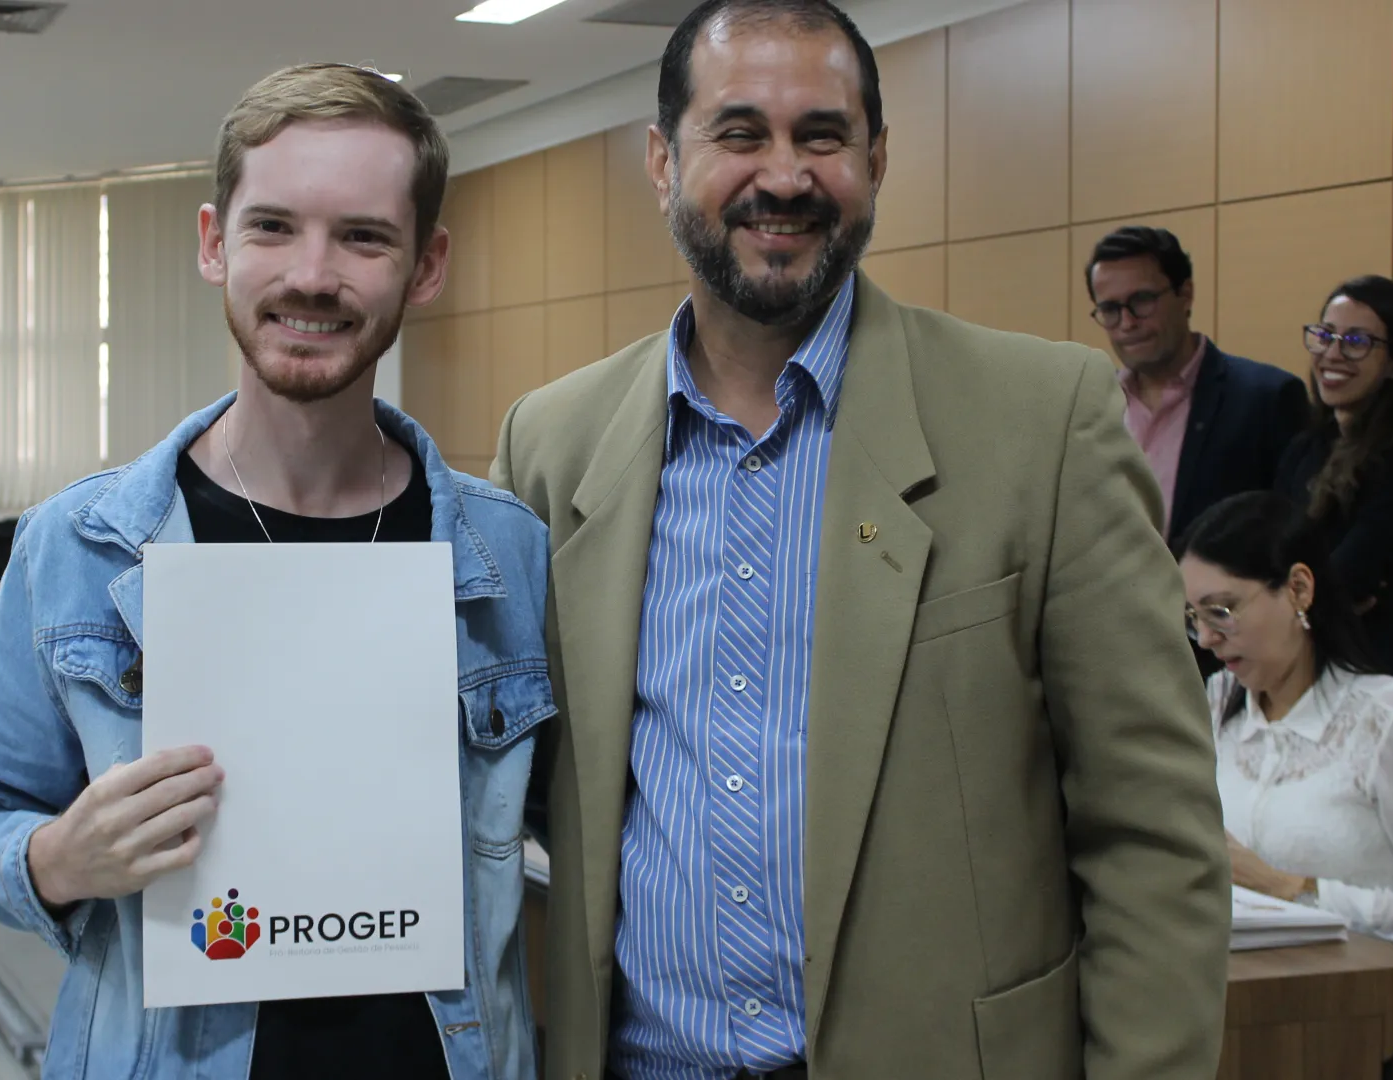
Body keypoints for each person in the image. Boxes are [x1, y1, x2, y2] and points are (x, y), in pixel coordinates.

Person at [491, 1, 1231, 1076]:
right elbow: (503, 788)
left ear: (876, 160)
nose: (785, 175)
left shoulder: (1042, 422)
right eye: (739, 132)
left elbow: (1152, 835)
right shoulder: (551, 447)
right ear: (661, 160)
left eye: (823, 135)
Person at [0, 64, 551, 1080]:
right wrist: (59, 860)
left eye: (363, 237)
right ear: (214, 243)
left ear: (427, 265)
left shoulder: (508, 554)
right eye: (272, 227)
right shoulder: (75, 550)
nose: (312, 274)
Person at [1178, 490, 1393, 1079]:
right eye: (1193, 619)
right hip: (1237, 1012)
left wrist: (1293, 889)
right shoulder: (1217, 707)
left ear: (1299, 589)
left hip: (1376, 1026)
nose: (1206, 639)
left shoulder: (1392, 721)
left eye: (1222, 611)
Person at [1274, 276, 1393, 705]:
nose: (1333, 354)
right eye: (1325, 335)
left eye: (1356, 341)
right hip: (1305, 678)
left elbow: (1344, 581)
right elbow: (1266, 551)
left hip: (1378, 689)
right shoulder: (1305, 448)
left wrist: (1299, 594)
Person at [1086, 226, 1308, 542]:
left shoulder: (1266, 399)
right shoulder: (1088, 406)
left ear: (1186, 294)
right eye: (1110, 309)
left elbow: (1295, 536)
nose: (1127, 323)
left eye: (1142, 300)